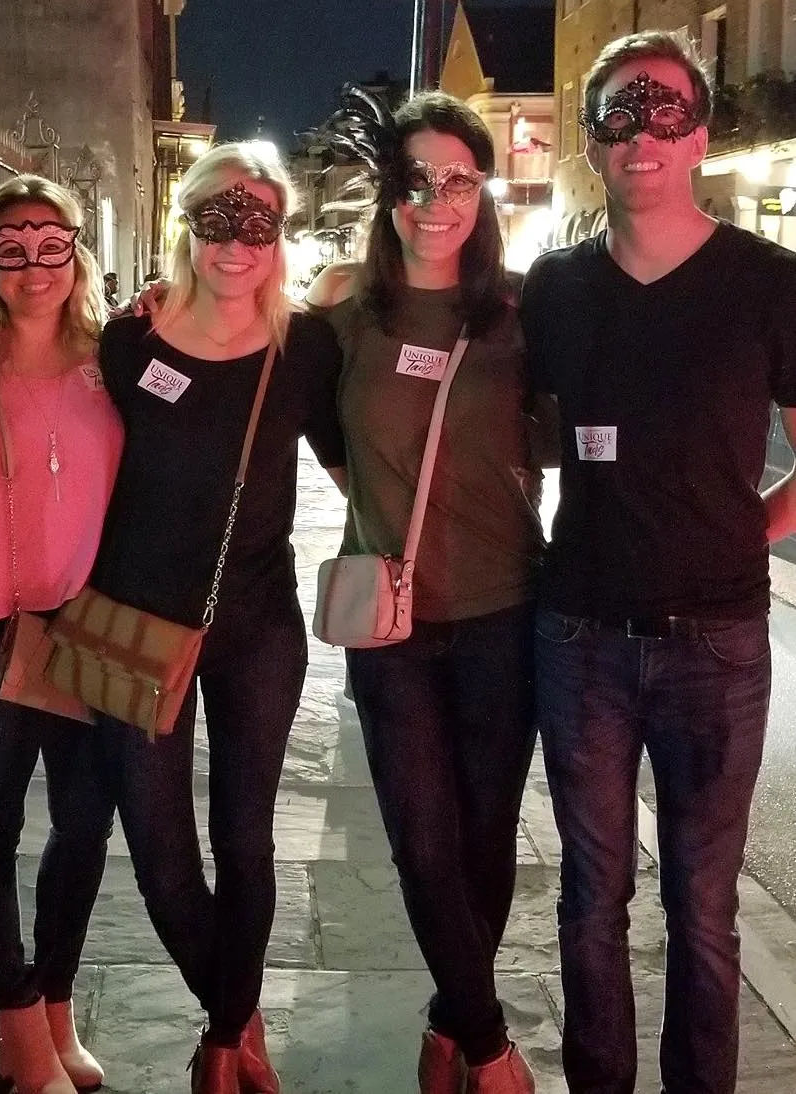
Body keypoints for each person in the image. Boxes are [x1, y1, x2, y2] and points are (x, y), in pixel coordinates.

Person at [521, 30, 796, 1094]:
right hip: (580, 634)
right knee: (590, 899)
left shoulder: (768, 283)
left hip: (717, 643)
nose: (642, 136)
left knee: (704, 906)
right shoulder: (555, 287)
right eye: (619, 115)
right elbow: (512, 426)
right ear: (592, 140)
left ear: (700, 137)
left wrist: (750, 528)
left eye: (666, 113)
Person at [77, 142, 346, 1094]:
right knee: (158, 850)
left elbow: (357, 460)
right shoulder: (129, 343)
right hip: (134, 625)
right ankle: (236, 1013)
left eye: (257, 223)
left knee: (246, 841)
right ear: (186, 226)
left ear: (281, 235)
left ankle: (225, 1046)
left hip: (258, 629)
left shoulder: (305, 347)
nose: (236, 244)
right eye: (216, 221)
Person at [305, 88, 545, 1094]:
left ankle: (451, 1026)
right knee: (419, 839)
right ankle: (487, 1048)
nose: (435, 201)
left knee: (485, 839)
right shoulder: (341, 312)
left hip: (504, 612)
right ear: (388, 194)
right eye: (415, 180)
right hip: (390, 622)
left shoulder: (522, 314)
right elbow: (314, 425)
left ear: (482, 191)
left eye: (457, 180)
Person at [0, 174, 122, 1094]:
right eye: (12, 247)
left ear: (77, 250)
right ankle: (16, 1024)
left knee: (83, 826)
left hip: (90, 628)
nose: (34, 266)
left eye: (52, 244)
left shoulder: (118, 356)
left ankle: (56, 1009)